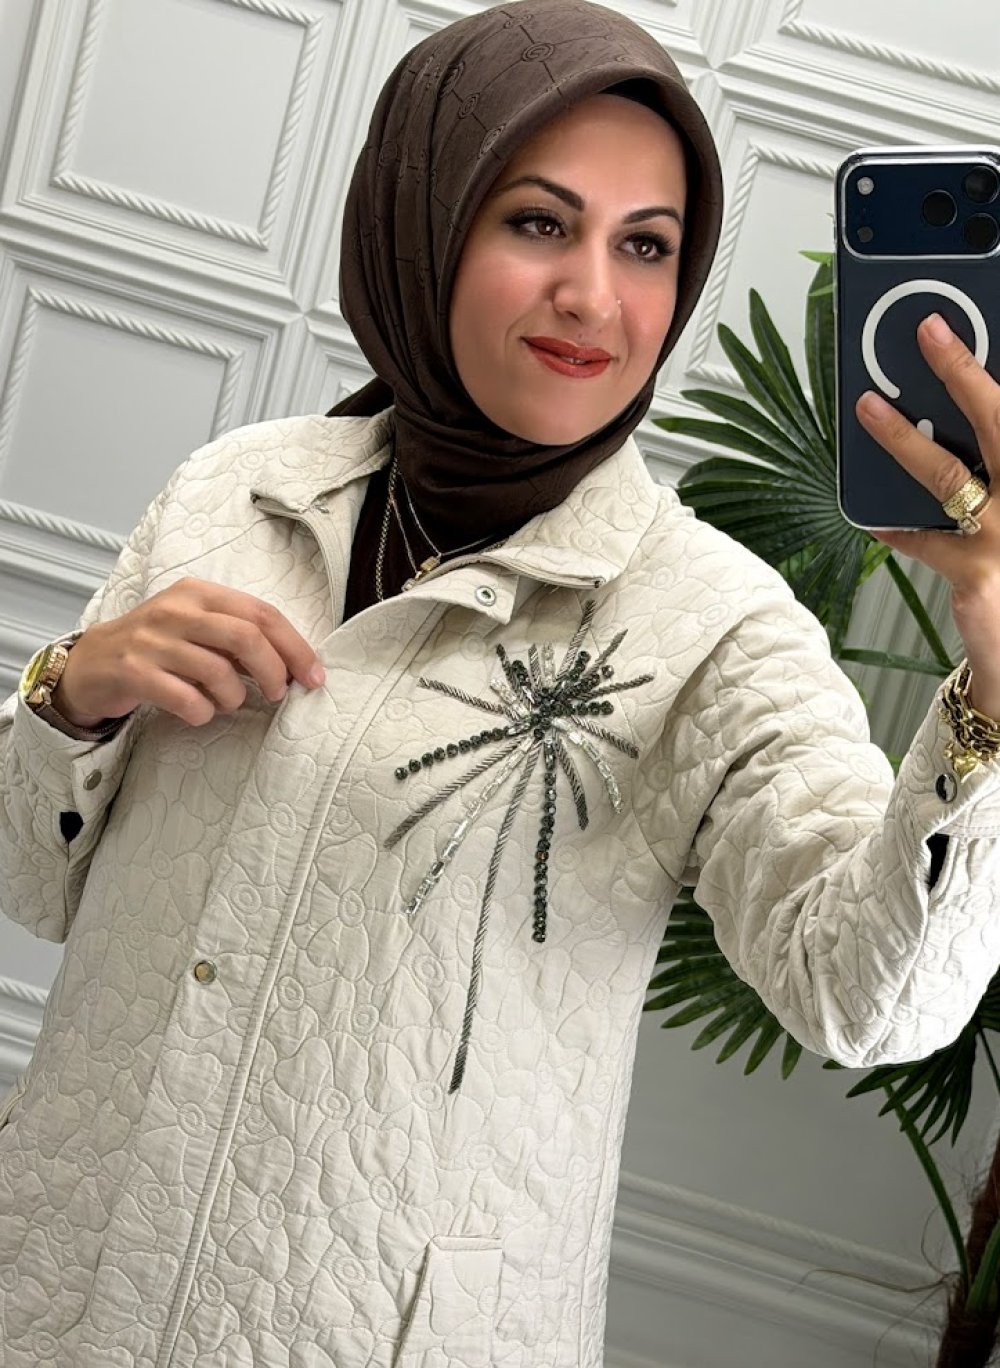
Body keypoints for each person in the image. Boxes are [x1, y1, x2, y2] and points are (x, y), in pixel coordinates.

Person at [1, 0, 999, 1364]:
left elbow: (871, 1001)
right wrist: (69, 694)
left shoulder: (710, 625)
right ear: (421, 222)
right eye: (539, 222)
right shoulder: (235, 492)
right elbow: (28, 882)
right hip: (58, 1280)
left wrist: (994, 681)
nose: (594, 296)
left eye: (645, 246)